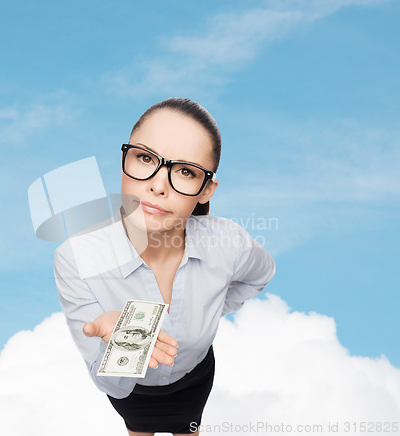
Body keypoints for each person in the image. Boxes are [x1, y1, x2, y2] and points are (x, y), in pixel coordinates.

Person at [54, 97, 276, 436]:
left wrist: (213, 306)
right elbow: (113, 385)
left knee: (188, 429)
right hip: (134, 393)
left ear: (206, 190)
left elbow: (260, 274)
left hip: (195, 378)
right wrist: (121, 345)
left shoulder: (228, 242)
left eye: (185, 172)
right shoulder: (77, 257)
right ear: (123, 161)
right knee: (139, 429)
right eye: (145, 158)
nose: (158, 185)